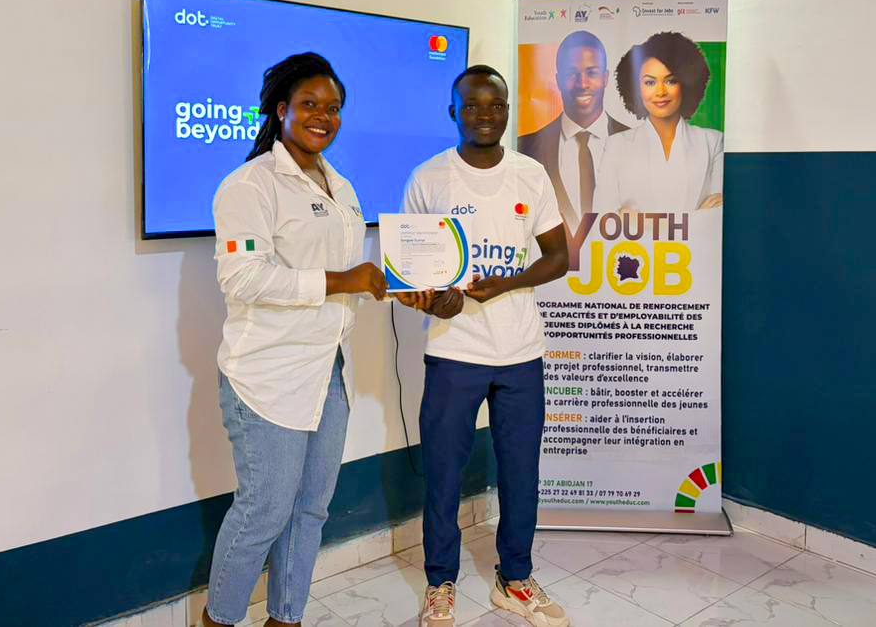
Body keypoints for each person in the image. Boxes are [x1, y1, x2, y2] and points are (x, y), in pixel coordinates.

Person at [202, 52, 387, 627]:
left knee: (310, 511)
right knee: (263, 512)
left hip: (329, 371)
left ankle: (286, 618)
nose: (323, 117)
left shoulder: (341, 186)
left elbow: (349, 277)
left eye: (333, 108)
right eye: (310, 105)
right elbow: (243, 278)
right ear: (281, 110)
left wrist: (393, 286)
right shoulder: (249, 186)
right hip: (267, 377)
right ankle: (219, 620)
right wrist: (344, 281)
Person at [398, 65, 571, 627]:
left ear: (507, 111)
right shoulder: (428, 179)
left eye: (495, 105)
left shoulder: (530, 175)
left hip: (521, 353)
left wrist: (508, 283)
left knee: (522, 473)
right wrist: (434, 302)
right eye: (472, 106)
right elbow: (410, 278)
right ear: (454, 112)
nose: (485, 115)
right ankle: (440, 583)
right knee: (444, 475)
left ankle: (514, 579)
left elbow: (558, 258)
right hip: (454, 352)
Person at [594, 32, 724, 212]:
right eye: (650, 83)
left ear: (686, 84)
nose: (661, 92)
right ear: (636, 88)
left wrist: (636, 220)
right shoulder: (615, 146)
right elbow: (603, 218)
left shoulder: (713, 143)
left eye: (671, 81)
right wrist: (695, 215)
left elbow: (716, 216)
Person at [517, 31, 628, 229]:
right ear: (558, 80)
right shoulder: (525, 147)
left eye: (591, 73)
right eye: (571, 74)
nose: (582, 84)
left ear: (605, 78)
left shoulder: (637, 143)